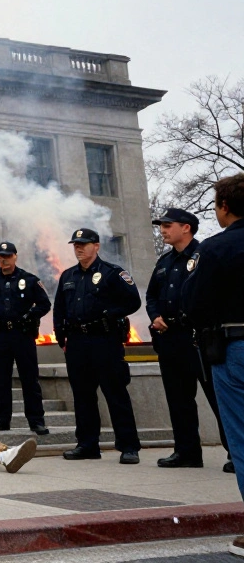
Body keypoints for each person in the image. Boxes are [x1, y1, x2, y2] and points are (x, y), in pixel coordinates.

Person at [183, 175, 244, 558]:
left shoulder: (216, 248)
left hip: (235, 347)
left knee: (241, 437)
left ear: (224, 206)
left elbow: (195, 304)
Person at [147, 208, 228, 469]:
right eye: (161, 225)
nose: (163, 229)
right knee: (178, 399)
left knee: (218, 398)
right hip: (170, 338)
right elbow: (151, 296)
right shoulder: (164, 262)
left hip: (198, 338)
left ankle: (235, 453)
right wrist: (155, 315)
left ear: (186, 228)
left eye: (169, 225)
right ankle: (187, 452)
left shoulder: (204, 255)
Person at [54, 228, 142, 463]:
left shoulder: (112, 273)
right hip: (77, 342)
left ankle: (128, 446)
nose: (79, 248)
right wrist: (61, 336)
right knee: (82, 396)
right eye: (76, 245)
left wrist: (110, 314)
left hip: (105, 340)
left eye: (84, 244)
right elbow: (59, 308)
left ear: (97, 246)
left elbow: (133, 301)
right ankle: (87, 445)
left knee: (115, 393)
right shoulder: (68, 276)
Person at [0, 242, 52, 436]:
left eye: (7, 256)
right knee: (1, 379)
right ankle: (1, 419)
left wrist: (31, 316)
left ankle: (36, 420)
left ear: (15, 256)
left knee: (29, 379)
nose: (4, 260)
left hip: (22, 335)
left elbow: (44, 304)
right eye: (1, 256)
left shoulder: (29, 280)